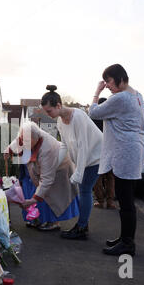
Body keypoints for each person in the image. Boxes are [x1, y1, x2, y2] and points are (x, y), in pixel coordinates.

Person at [89, 64, 144, 257]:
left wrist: (96, 92)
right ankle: (125, 238)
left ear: (120, 79)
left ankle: (127, 244)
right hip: (134, 149)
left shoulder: (121, 97)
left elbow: (94, 112)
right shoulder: (137, 96)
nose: (106, 85)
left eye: (108, 81)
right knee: (126, 199)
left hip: (125, 151)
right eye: (105, 82)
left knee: (125, 200)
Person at [41, 85, 102, 240]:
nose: (48, 114)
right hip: (85, 158)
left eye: (49, 111)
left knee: (85, 190)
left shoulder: (79, 117)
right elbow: (64, 145)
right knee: (83, 190)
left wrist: (79, 172)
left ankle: (82, 228)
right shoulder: (61, 122)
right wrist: (53, 164)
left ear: (59, 105)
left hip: (96, 157)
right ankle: (82, 225)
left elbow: (83, 147)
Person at [4, 122, 79, 231]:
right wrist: (9, 149)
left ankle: (53, 222)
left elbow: (47, 180)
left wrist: (34, 200)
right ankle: (37, 218)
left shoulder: (47, 149)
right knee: (33, 188)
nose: (24, 145)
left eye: (28, 142)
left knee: (51, 194)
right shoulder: (28, 135)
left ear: (36, 138)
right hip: (41, 167)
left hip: (60, 168)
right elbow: (18, 140)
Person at [91, 98, 116, 210]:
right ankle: (110, 202)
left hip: (97, 150)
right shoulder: (111, 117)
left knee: (98, 177)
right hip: (111, 149)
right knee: (110, 177)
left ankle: (100, 201)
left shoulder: (93, 118)